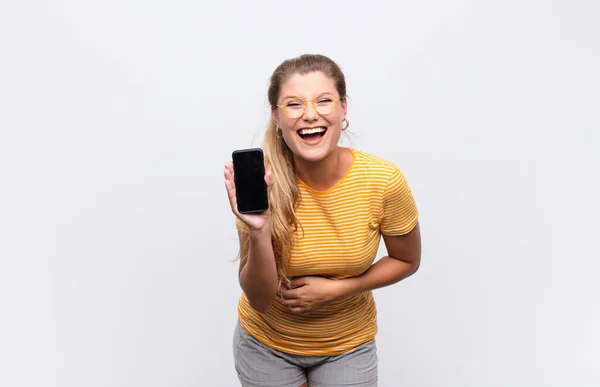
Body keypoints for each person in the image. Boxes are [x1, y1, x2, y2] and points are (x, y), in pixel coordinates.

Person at [223, 53, 421, 387]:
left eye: (324, 100)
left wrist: (339, 289)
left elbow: (406, 259)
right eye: (294, 104)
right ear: (276, 116)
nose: (310, 114)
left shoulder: (383, 180)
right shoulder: (262, 182)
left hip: (347, 346)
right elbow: (259, 298)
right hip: (265, 346)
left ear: (343, 109)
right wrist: (259, 231)